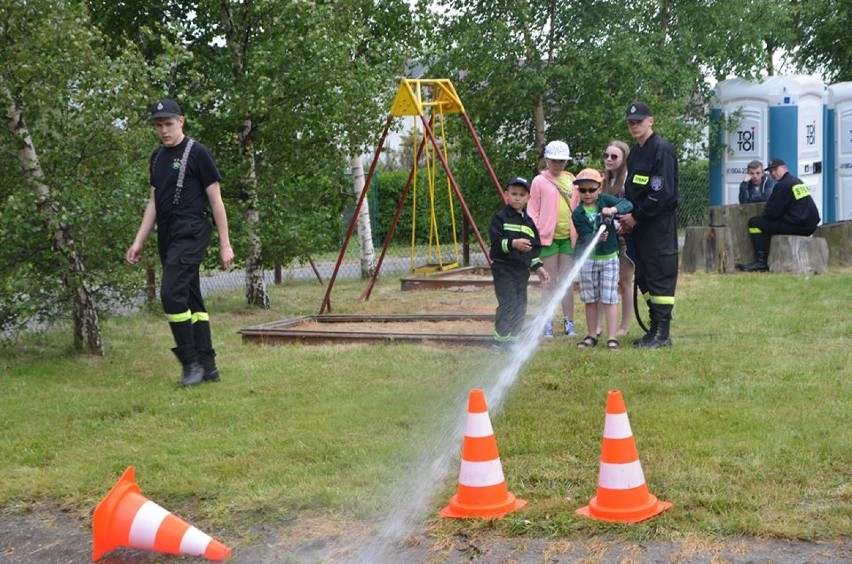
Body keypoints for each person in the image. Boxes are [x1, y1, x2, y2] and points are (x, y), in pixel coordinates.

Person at [126, 99, 235, 386]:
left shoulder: (198, 153)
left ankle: (190, 365)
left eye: (169, 124)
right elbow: (153, 203)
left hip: (192, 229)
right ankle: (208, 366)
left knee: (171, 294)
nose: (164, 130)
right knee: (190, 298)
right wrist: (139, 241)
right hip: (167, 232)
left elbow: (216, 200)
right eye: (158, 125)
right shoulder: (157, 157)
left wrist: (225, 244)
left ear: (181, 121)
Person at [619, 102, 680, 349]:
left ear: (650, 121)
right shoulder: (635, 153)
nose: (635, 126)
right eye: (631, 122)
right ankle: (654, 328)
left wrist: (637, 216)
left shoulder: (661, 150)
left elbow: (661, 193)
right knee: (643, 276)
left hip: (658, 225)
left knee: (660, 277)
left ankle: (662, 333)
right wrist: (627, 216)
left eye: (639, 121)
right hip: (640, 225)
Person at [571, 169, 633, 350]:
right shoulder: (577, 214)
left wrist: (613, 209)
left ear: (599, 188)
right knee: (590, 299)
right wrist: (594, 237)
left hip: (609, 259)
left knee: (609, 298)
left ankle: (612, 338)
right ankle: (591, 335)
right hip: (588, 260)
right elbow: (584, 236)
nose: (587, 194)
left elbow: (627, 204)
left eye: (591, 189)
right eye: (583, 190)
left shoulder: (606, 200)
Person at [488, 177, 551, 350]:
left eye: (521, 195)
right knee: (508, 302)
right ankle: (499, 341)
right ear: (506, 195)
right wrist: (513, 244)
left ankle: (513, 339)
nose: (517, 198)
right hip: (503, 268)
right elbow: (495, 243)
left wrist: (538, 267)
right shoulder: (500, 218)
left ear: (528, 198)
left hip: (521, 271)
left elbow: (534, 249)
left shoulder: (529, 223)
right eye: (514, 194)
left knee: (520, 305)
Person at [528, 140, 579, 339]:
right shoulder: (539, 181)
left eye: (562, 161)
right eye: (555, 160)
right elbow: (533, 211)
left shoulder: (571, 179)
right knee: (549, 282)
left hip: (568, 237)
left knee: (566, 282)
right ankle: (546, 322)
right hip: (547, 238)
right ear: (547, 160)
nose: (558, 164)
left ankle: (569, 322)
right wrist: (537, 233)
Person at [736, 158, 820, 272]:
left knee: (755, 223)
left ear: (784, 168)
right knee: (767, 224)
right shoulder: (796, 181)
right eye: (770, 171)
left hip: (797, 226)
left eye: (775, 170)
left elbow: (771, 213)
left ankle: (761, 262)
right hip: (810, 225)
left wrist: (765, 215)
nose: (773, 173)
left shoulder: (782, 186)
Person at [598, 140, 634, 337]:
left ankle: (625, 326)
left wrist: (621, 224)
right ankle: (603, 325)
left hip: (625, 237)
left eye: (614, 156)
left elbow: (631, 206)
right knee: (608, 281)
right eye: (606, 155)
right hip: (606, 236)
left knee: (625, 281)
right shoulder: (603, 180)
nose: (609, 160)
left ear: (623, 160)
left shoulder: (627, 180)